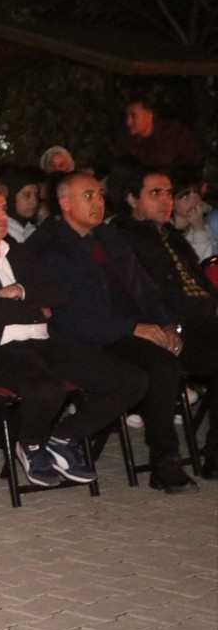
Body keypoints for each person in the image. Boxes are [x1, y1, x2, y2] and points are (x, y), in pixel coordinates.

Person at [0, 181, 147, 487]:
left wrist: (20, 291)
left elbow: (59, 293)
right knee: (48, 389)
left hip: (43, 344)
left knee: (131, 380)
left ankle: (62, 439)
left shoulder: (16, 251)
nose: (1, 216)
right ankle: (31, 444)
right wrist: (37, 309)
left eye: (3, 208)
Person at [30, 172, 196, 493]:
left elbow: (144, 288)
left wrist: (167, 323)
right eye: (88, 196)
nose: (98, 203)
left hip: (124, 331)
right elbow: (74, 320)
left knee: (170, 359)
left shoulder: (108, 237)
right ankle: (165, 461)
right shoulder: (53, 249)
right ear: (65, 203)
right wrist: (135, 327)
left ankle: (168, 460)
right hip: (85, 339)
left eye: (100, 195)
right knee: (155, 369)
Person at [112, 167, 218, 477]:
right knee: (163, 367)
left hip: (198, 322)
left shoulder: (173, 237)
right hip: (163, 326)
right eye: (155, 193)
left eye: (169, 193)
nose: (165, 200)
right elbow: (144, 293)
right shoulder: (125, 237)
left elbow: (201, 283)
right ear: (133, 199)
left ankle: (214, 454)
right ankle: (166, 460)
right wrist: (173, 320)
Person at [114, 98, 204, 170]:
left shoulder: (173, 132)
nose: (128, 122)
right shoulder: (125, 139)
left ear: (149, 115)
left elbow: (193, 158)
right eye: (127, 117)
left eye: (134, 116)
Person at [0, 165, 44, 243]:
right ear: (11, 197)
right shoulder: (0, 234)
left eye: (36, 195)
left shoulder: (34, 230)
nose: (34, 201)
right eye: (27, 195)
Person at [172, 182, 216, 261]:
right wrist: (199, 228)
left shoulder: (204, 226)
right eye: (186, 196)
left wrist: (199, 228)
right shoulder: (166, 233)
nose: (195, 200)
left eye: (196, 193)